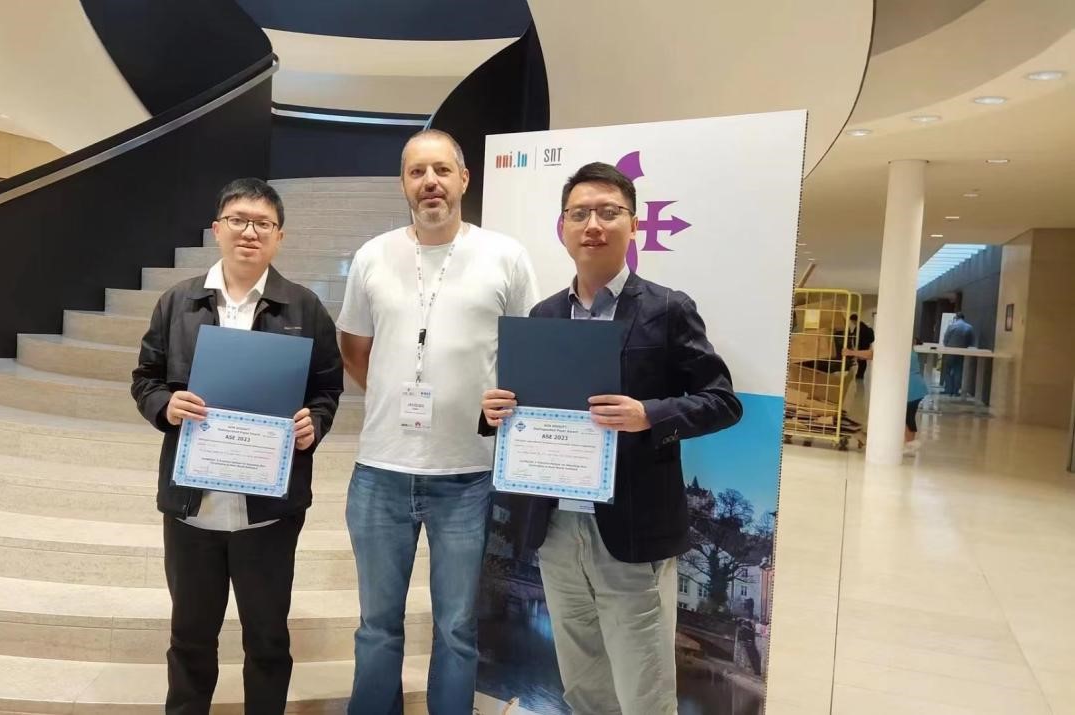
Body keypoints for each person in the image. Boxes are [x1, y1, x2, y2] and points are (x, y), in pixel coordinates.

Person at [480, 162, 742, 715]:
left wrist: (649, 414)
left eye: (608, 212)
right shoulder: (545, 314)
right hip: (555, 527)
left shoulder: (667, 309)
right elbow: (529, 409)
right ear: (563, 228)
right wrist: (496, 412)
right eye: (579, 214)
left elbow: (723, 402)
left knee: (645, 690)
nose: (593, 225)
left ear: (634, 225)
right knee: (583, 685)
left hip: (632, 529)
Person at [336, 128, 539, 714]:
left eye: (442, 170)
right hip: (381, 470)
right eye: (417, 172)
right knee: (377, 625)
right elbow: (355, 347)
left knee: (456, 627)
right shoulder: (373, 256)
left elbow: (527, 351)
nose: (430, 182)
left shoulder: (505, 256)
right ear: (403, 184)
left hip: (469, 475)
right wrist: (392, 396)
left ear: (464, 179)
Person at [131, 178, 344, 714]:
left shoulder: (305, 308)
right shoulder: (178, 302)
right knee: (190, 639)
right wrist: (165, 405)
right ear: (217, 229)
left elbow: (327, 389)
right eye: (238, 220)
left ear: (279, 236)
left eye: (263, 224)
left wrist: (314, 422)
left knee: (267, 641)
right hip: (192, 507)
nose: (250, 232)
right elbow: (145, 378)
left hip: (268, 511)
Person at [845, 336, 927, 454]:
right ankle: (909, 443)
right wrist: (857, 354)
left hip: (912, 389)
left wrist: (851, 352)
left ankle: (910, 444)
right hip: (915, 387)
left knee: (907, 416)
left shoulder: (903, 351)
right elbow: (874, 355)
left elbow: (874, 354)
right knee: (907, 416)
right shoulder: (908, 351)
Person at [941, 312, 975, 397]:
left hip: (950, 351)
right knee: (958, 371)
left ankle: (948, 390)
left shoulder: (951, 326)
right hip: (962, 352)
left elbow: (945, 340)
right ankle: (956, 391)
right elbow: (971, 341)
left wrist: (947, 346)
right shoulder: (969, 327)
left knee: (947, 370)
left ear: (956, 317)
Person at [848, 313, 875, 381]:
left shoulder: (860, 327)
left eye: (851, 321)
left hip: (861, 346)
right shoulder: (862, 326)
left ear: (853, 320)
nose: (852, 323)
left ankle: (860, 375)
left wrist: (856, 347)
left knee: (861, 361)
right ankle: (860, 374)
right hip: (864, 346)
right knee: (862, 361)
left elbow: (859, 337)